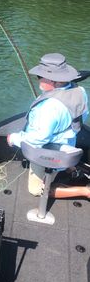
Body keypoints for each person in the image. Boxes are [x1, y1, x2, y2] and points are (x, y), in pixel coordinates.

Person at [7, 53, 89, 197]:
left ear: (56, 81)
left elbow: (36, 140)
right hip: (69, 142)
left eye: (40, 76)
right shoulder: (79, 90)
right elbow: (83, 116)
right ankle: (71, 169)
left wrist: (13, 138)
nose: (38, 78)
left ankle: (85, 191)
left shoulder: (49, 108)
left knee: (35, 190)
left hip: (51, 152)